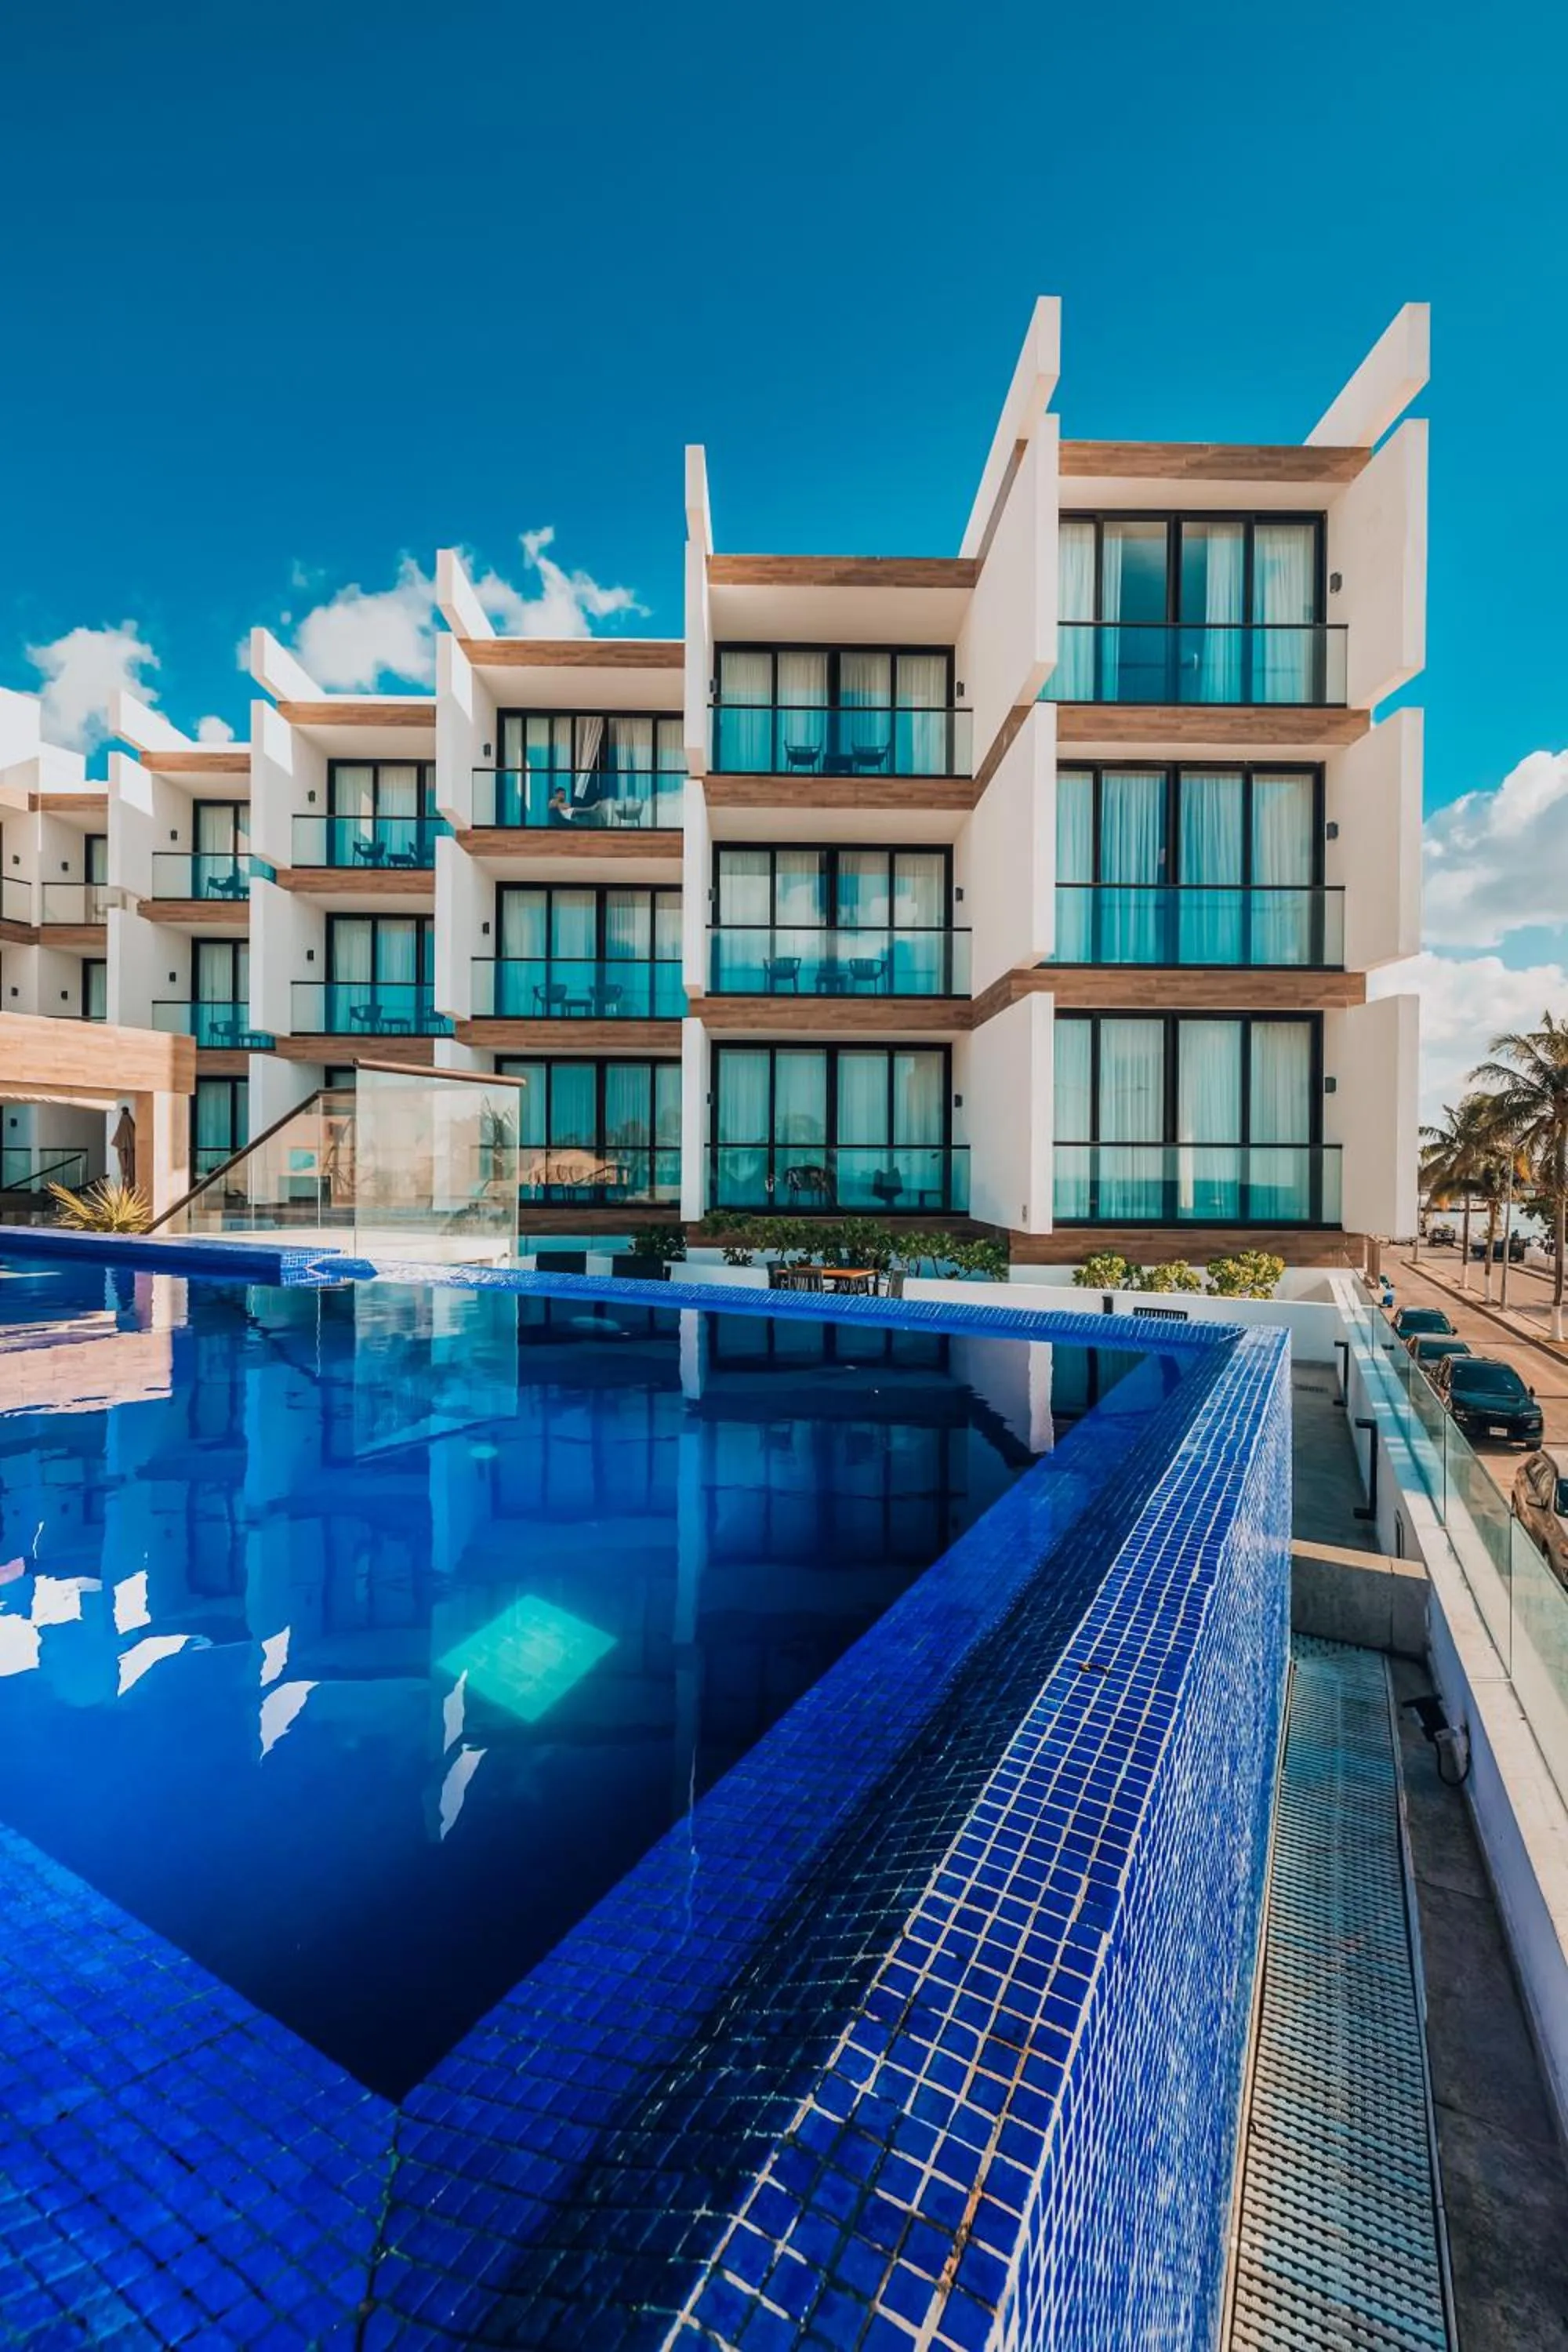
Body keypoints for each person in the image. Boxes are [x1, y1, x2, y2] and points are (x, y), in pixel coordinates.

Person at [111, 1106, 136, 1189]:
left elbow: (119, 1140)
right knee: (129, 1172)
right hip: (130, 1152)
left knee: (126, 1173)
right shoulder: (130, 1121)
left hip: (125, 1152)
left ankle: (127, 1189)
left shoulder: (124, 1121)